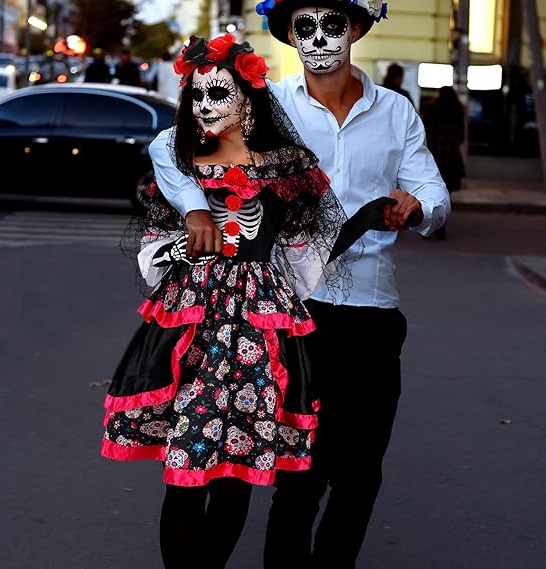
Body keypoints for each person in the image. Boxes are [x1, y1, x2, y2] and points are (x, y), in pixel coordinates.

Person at [148, 1, 451, 567]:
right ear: (288, 34)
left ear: (355, 29)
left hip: (371, 308)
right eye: (303, 26)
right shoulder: (267, 105)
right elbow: (173, 146)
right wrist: (195, 209)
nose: (317, 38)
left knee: (361, 471)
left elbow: (434, 193)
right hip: (291, 312)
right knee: (300, 473)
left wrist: (417, 208)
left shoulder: (396, 111)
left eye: (331, 24)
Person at [100, 35, 392, 569]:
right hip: (191, 332)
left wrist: (366, 218)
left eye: (218, 93)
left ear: (249, 101)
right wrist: (189, 235)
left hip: (258, 337)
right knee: (184, 475)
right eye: (195, 95)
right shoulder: (180, 161)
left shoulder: (287, 168)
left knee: (236, 477)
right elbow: (151, 258)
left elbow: (305, 264)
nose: (204, 105)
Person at [421, 85, 466, 240]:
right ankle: (440, 227)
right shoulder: (457, 112)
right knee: (445, 193)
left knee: (428, 192)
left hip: (433, 156)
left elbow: (424, 132)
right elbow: (461, 138)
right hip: (450, 158)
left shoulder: (430, 109)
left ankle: (427, 226)